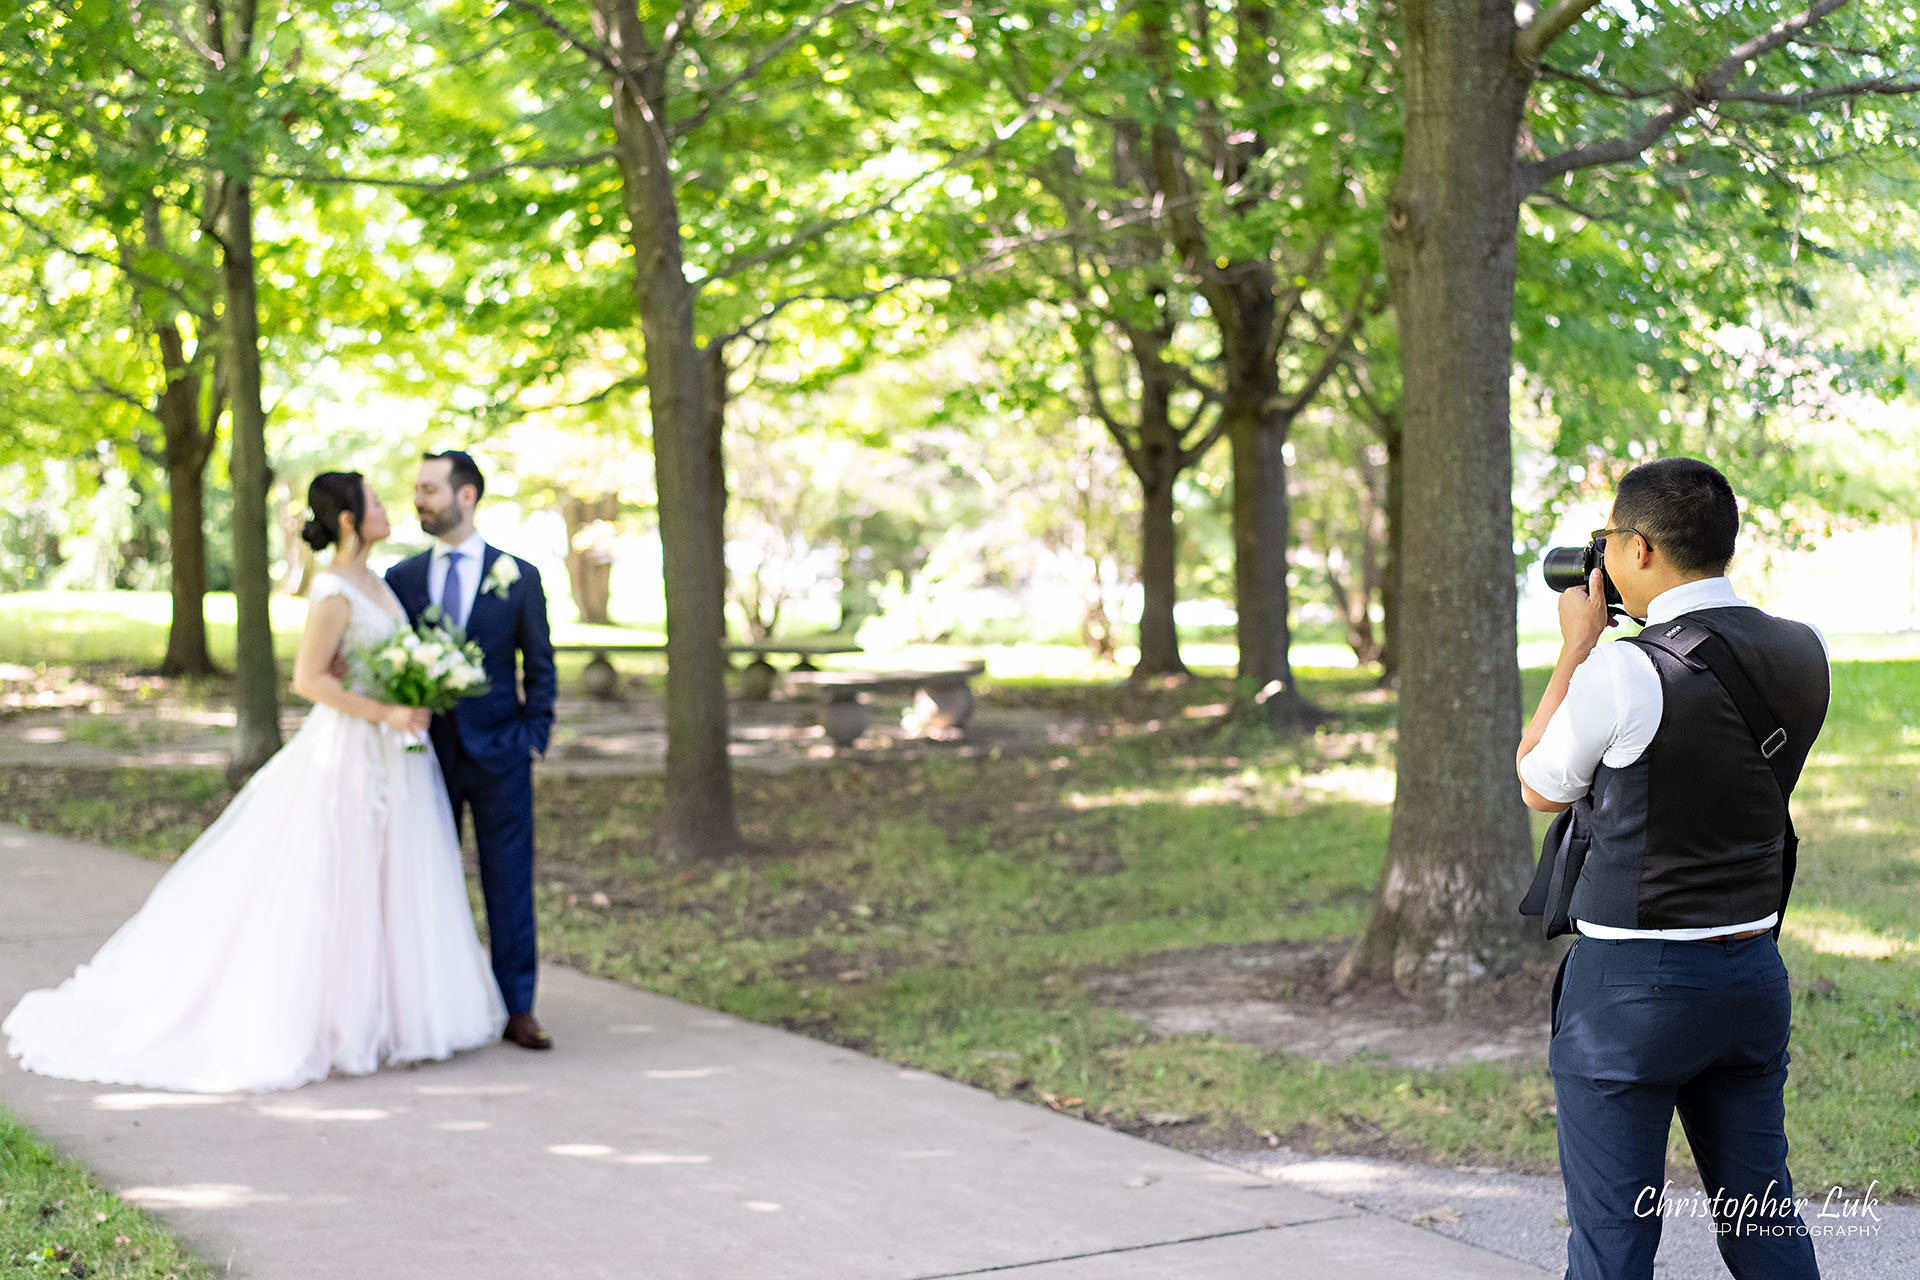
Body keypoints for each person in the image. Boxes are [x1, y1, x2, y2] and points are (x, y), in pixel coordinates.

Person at [3, 473, 507, 1093]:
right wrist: (387, 711)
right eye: (373, 501)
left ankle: (386, 1018)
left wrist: (410, 688)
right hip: (351, 749)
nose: (386, 508)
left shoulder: (378, 582)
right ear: (348, 520)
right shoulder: (332, 590)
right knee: (337, 877)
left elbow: (358, 664)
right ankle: (329, 1023)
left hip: (395, 752)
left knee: (389, 879)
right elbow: (309, 680)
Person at [1516, 457, 1830, 1280]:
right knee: (1764, 1225)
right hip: (1753, 974)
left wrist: (1575, 650)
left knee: (1614, 1246)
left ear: (1643, 549)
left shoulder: (1624, 669)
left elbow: (1538, 784)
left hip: (1631, 990)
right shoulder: (1805, 651)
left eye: (1611, 541)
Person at [387, 451, 556, 1051]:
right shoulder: (401, 579)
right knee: (424, 878)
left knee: (509, 882)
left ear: (466, 496)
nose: (419, 499)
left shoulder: (519, 576)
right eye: (416, 489)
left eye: (430, 488)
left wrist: (532, 739)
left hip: (501, 756)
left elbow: (540, 668)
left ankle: (518, 1008)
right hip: (423, 758)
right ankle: (432, 1006)